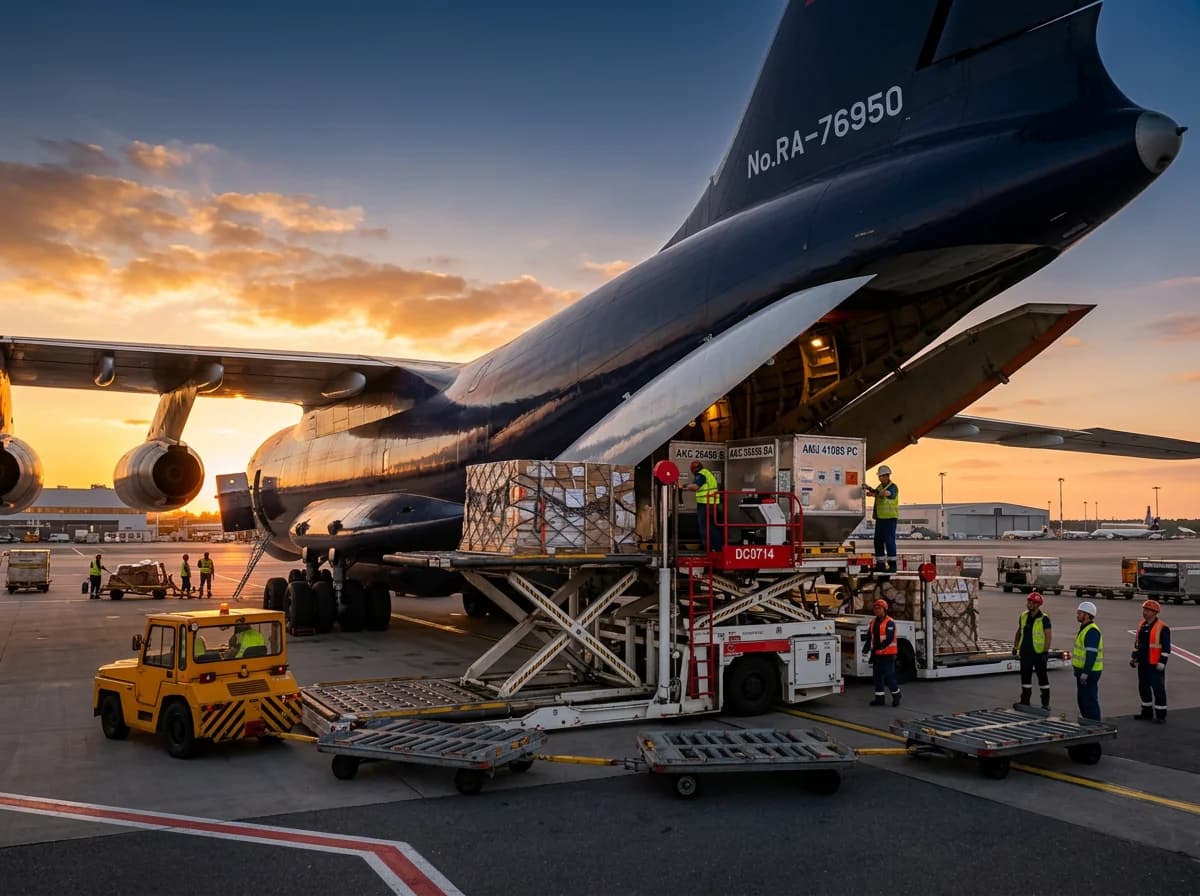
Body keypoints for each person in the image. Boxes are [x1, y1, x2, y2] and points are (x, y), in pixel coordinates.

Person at [1130, 599, 1171, 723]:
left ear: (1155, 612)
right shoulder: (1142, 625)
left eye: (1147, 610)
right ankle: (1146, 712)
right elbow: (1138, 644)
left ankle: (1160, 715)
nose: (1144, 612)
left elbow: (1166, 647)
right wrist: (1134, 657)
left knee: (1158, 689)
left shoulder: (1162, 628)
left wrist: (1162, 662)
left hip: (1155, 665)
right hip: (1143, 663)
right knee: (1143, 688)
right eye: (1144, 610)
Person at [1012, 591, 1052, 708]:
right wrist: (1015, 646)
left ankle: (1045, 703)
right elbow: (1019, 632)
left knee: (1042, 678)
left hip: (1038, 654)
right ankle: (1025, 700)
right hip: (1025, 652)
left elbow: (1048, 636)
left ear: (1037, 605)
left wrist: (1045, 652)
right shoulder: (1023, 616)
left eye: (1031, 602)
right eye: (1028, 601)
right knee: (1025, 677)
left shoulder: (1044, 619)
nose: (1028, 604)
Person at [863, 465, 899, 572]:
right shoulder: (879, 487)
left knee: (889, 541)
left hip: (889, 518)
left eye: (881, 476)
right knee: (878, 541)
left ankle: (892, 565)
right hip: (880, 518)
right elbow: (877, 493)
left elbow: (884, 494)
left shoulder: (893, 487)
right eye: (879, 476)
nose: (880, 478)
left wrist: (871, 489)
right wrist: (870, 493)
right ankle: (880, 564)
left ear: (887, 476)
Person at [1072, 601, 1104, 720]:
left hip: (1090, 672)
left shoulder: (1091, 631)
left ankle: (1095, 727)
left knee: (1089, 701)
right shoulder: (1085, 628)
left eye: (1079, 613)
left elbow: (1091, 654)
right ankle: (1088, 724)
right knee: (1083, 700)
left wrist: (1085, 672)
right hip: (1084, 671)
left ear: (1087, 614)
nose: (1077, 615)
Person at [867, 598, 901, 707]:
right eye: (875, 608)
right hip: (877, 654)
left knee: (889, 677)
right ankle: (879, 699)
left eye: (879, 608)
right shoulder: (873, 622)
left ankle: (896, 695)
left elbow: (889, 638)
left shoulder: (889, 622)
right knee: (877, 678)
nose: (876, 610)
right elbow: (869, 636)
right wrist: (867, 646)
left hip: (887, 655)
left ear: (884, 609)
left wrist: (880, 647)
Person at [684, 460, 723, 554]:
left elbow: (696, 487)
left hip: (706, 505)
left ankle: (711, 549)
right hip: (711, 504)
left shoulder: (701, 474)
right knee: (713, 527)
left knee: (705, 528)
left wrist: (684, 486)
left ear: (694, 469)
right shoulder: (706, 473)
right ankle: (717, 549)